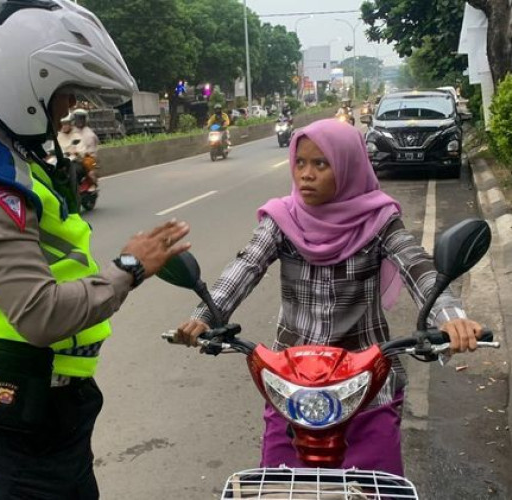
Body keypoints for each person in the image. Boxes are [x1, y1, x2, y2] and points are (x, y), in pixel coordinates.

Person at [0, 1, 191, 498]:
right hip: (20, 408)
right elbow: (39, 314)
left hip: (44, 399)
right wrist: (129, 266)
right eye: (62, 93)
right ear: (20, 85)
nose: (67, 109)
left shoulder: (9, 157)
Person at [175, 118, 482, 476]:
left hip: (367, 382)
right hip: (290, 385)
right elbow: (245, 267)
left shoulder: (379, 220)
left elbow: (417, 267)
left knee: (378, 489)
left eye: (321, 164)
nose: (306, 174)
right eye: (300, 162)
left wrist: (449, 316)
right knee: (274, 486)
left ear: (348, 166)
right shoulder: (281, 218)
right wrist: (206, 315)